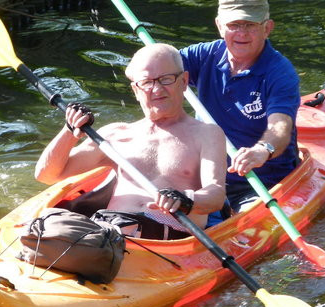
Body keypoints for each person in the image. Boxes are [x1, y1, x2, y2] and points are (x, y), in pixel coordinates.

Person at [35, 43, 227, 240]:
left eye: (166, 79)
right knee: (45, 223)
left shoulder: (206, 133)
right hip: (110, 231)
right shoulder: (115, 135)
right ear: (136, 90)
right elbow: (47, 174)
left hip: (168, 236)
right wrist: (68, 131)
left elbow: (216, 195)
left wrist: (187, 199)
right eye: (146, 82)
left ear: (184, 81)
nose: (157, 89)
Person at [179, 0, 301, 212]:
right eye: (234, 25)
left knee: (246, 216)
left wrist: (262, 150)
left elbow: (281, 127)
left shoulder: (280, 72)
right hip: (205, 177)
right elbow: (157, 67)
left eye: (251, 25)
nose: (242, 33)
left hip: (259, 183)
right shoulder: (203, 55)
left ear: (267, 28)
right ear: (219, 25)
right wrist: (152, 67)